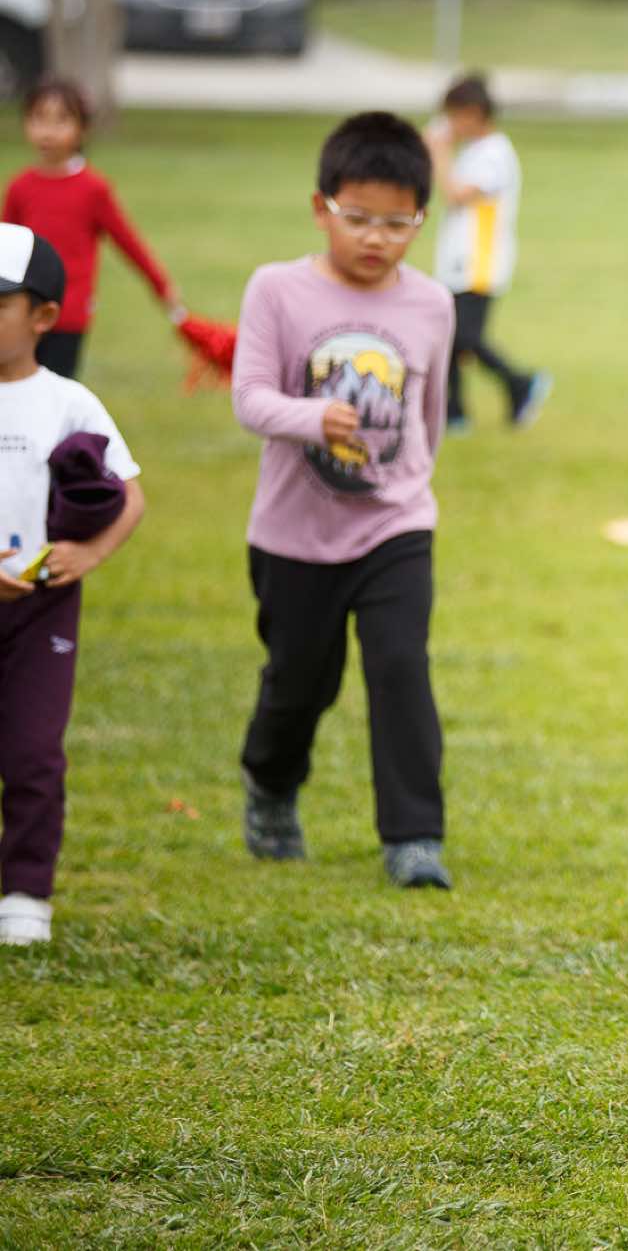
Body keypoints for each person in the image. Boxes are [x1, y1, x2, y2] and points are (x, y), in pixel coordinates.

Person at [229, 112, 457, 891]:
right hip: (294, 533)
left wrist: (409, 484)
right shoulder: (277, 289)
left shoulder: (432, 304)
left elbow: (429, 413)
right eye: (358, 218)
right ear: (321, 207)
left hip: (395, 523)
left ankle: (415, 837)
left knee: (400, 666)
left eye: (398, 223)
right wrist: (312, 417)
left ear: (420, 220)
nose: (376, 238)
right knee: (300, 682)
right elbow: (250, 397)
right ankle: (269, 783)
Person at [0, 222, 145, 945]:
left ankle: (26, 891)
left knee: (32, 752)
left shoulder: (68, 402)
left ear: (45, 316)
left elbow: (131, 495)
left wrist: (90, 553)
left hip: (41, 608)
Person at [2, 75, 179, 379]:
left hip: (69, 314)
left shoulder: (92, 189)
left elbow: (127, 242)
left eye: (61, 121)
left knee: (56, 388)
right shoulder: (20, 187)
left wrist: (162, 286)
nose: (48, 131)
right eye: (39, 118)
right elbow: (5, 248)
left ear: (82, 128)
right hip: (24, 312)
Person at [423, 73, 548, 431]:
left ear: (474, 113)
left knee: (465, 337)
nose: (450, 124)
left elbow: (455, 195)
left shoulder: (494, 154)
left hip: (480, 260)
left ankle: (520, 382)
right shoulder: (476, 151)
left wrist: (439, 152)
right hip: (459, 260)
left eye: (454, 116)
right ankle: (454, 412)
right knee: (447, 335)